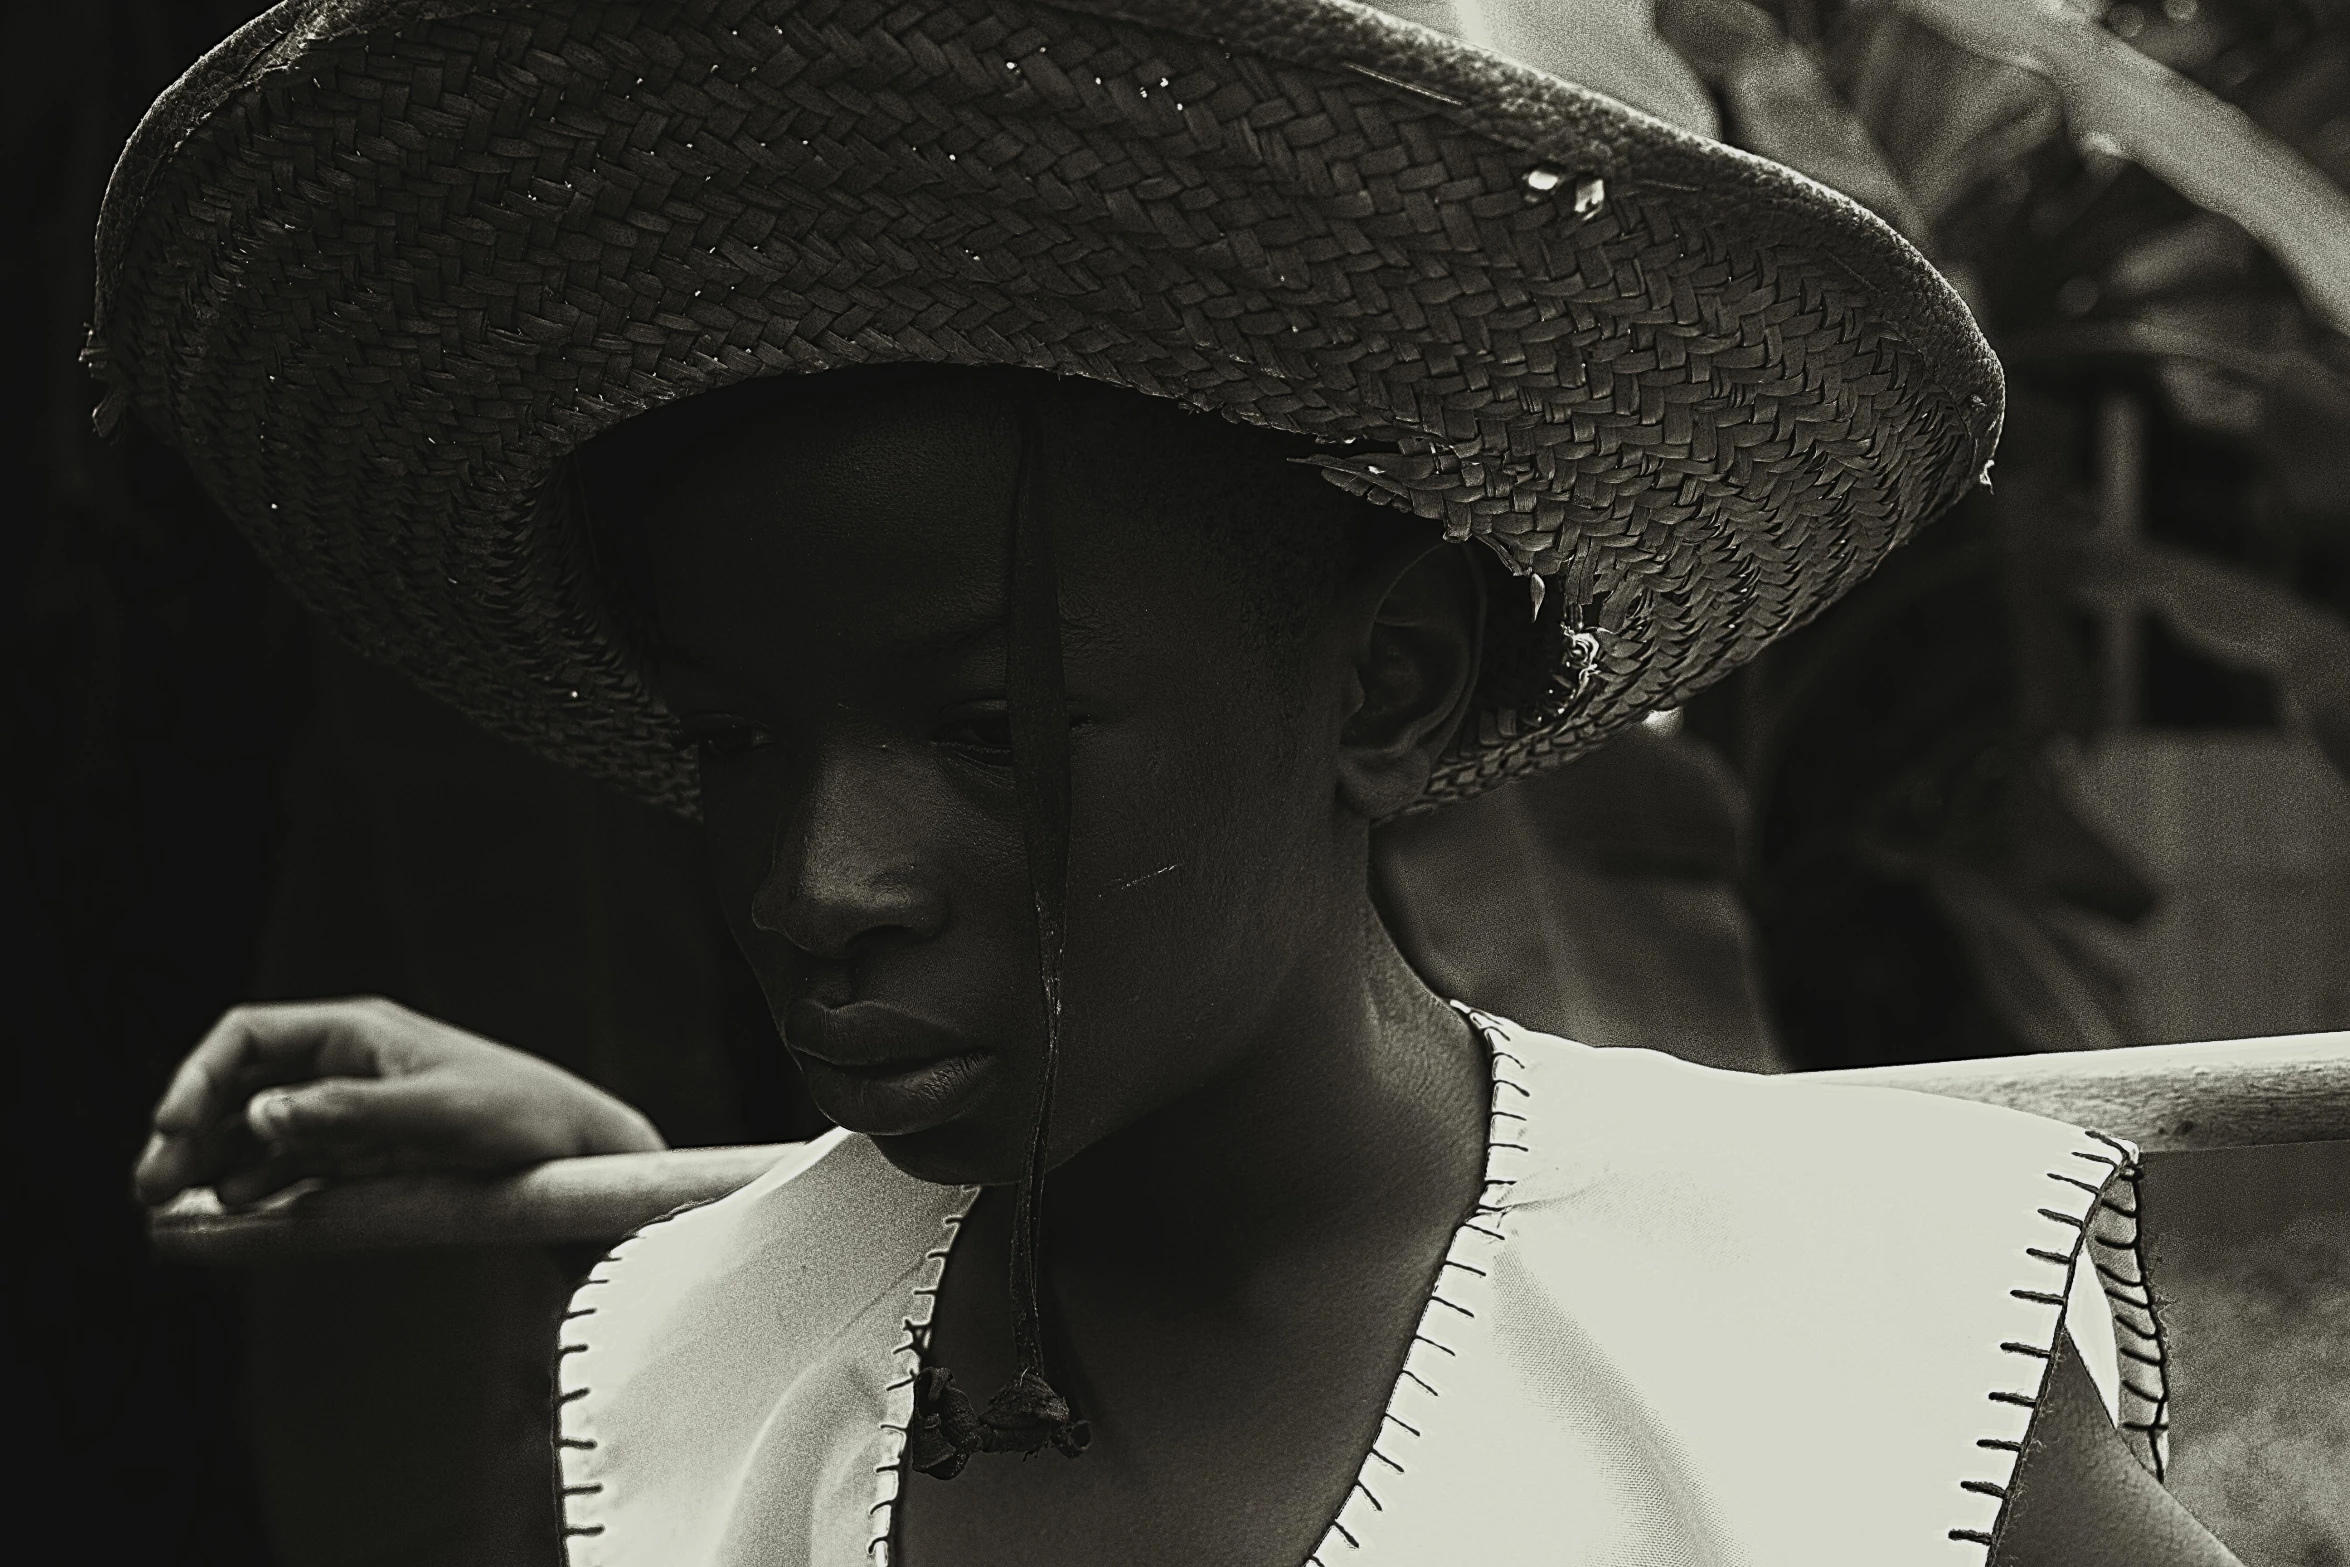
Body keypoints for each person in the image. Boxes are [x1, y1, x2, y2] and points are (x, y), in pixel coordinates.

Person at [102, 0, 2239, 1562]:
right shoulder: (704, 1366)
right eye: (738, 740)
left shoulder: (1841, 1337)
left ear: (1389, 685)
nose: (820, 882)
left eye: (994, 733)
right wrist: (610, 1209)